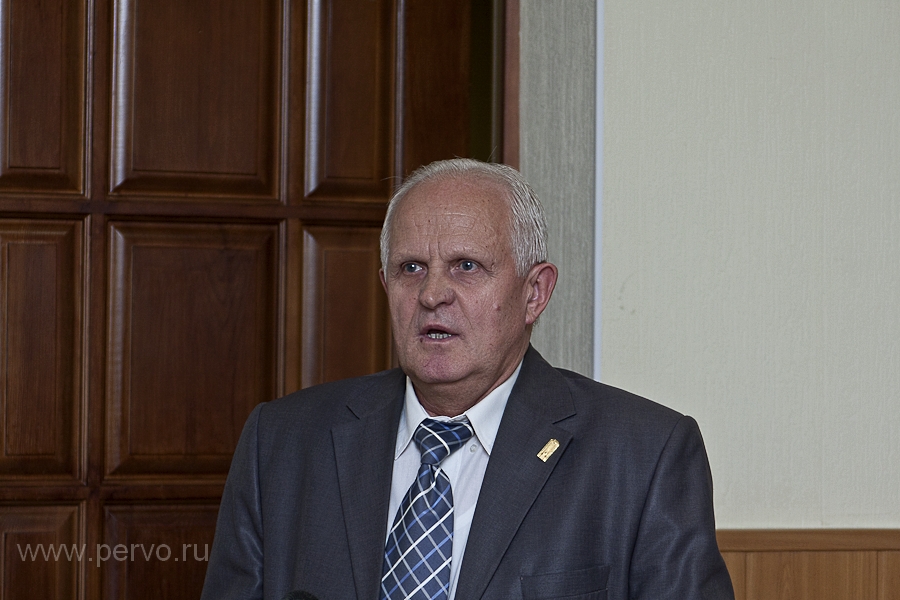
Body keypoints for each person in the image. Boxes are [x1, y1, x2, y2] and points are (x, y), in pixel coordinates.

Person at [200, 159, 735, 600]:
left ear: (534, 293)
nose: (432, 294)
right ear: (385, 285)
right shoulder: (281, 443)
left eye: (466, 266)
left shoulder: (644, 456)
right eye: (411, 268)